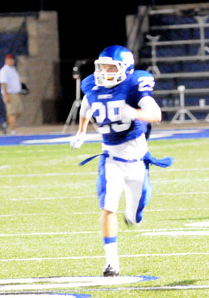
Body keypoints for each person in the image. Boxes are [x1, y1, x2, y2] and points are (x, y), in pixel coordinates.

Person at [70, 45, 172, 277]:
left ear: (125, 69)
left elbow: (156, 115)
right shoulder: (93, 86)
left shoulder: (135, 85)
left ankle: (133, 214)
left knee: (136, 212)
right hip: (111, 159)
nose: (104, 71)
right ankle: (111, 262)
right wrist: (82, 132)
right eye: (102, 66)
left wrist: (135, 113)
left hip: (137, 160)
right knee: (107, 208)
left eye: (111, 67)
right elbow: (87, 107)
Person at [0, 54, 23, 135]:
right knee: (12, 113)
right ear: (6, 60)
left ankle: (5, 124)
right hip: (9, 93)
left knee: (19, 112)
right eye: (9, 60)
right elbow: (3, 83)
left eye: (12, 60)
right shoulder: (4, 70)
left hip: (16, 94)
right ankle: (13, 131)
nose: (11, 61)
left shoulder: (13, 69)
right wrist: (6, 94)